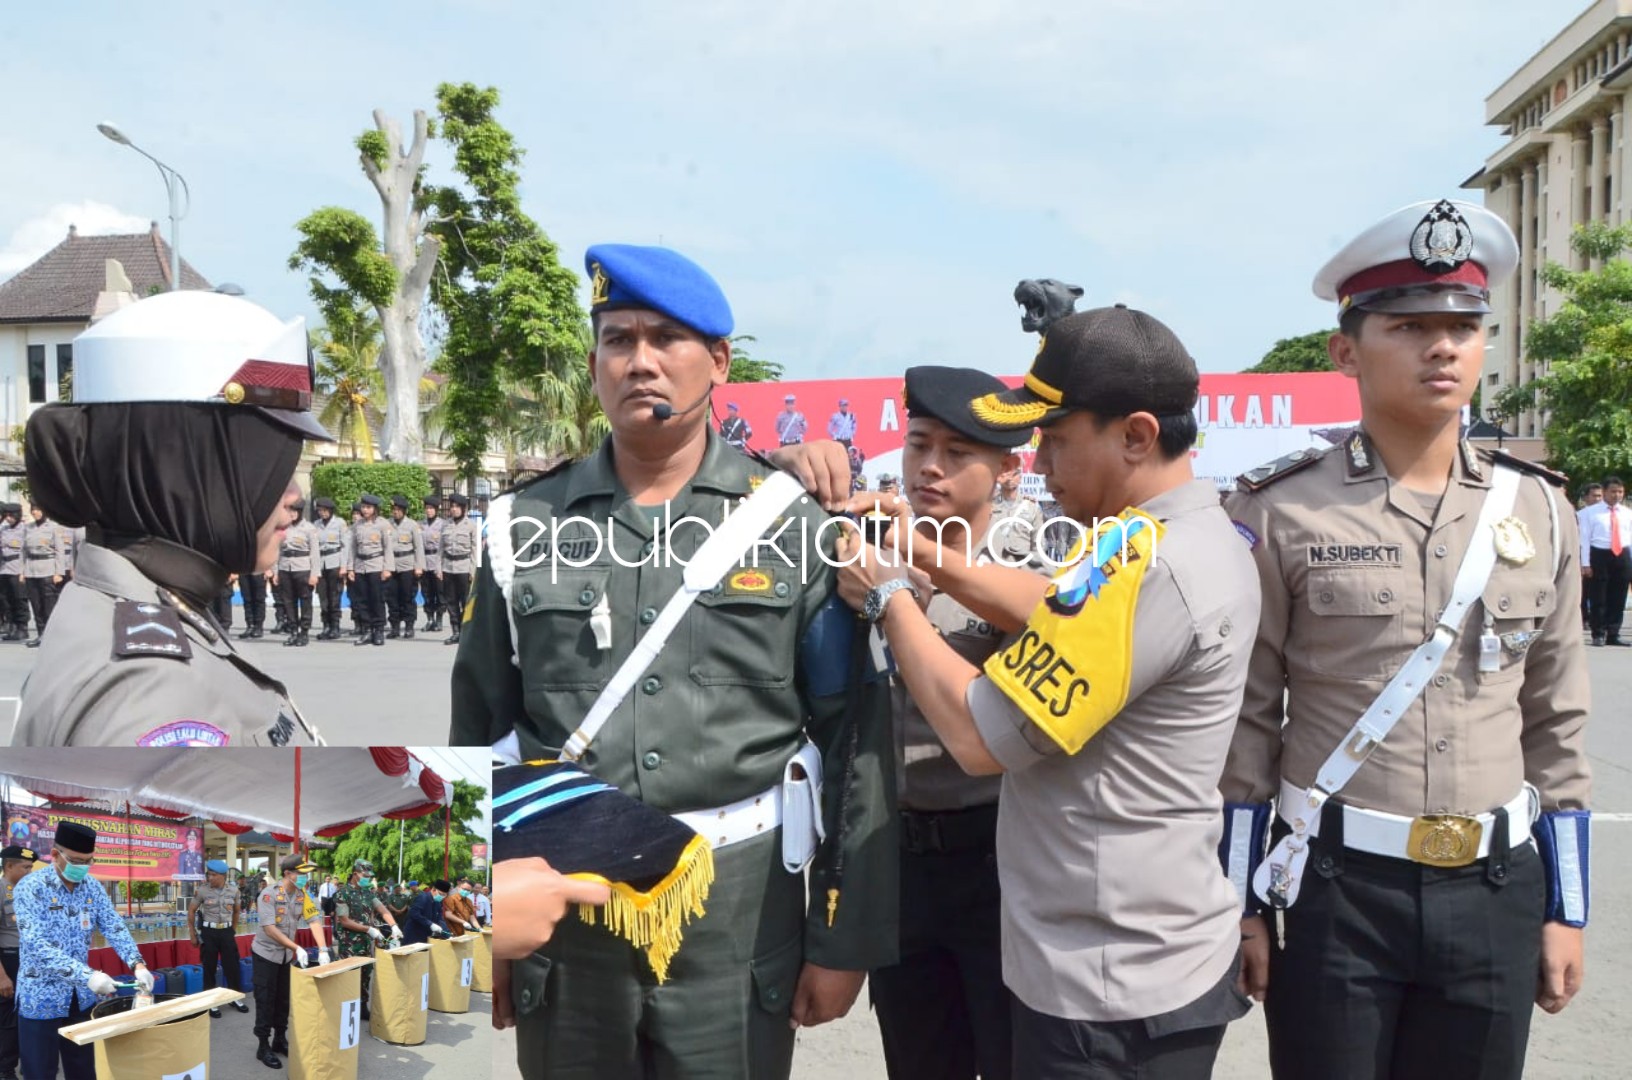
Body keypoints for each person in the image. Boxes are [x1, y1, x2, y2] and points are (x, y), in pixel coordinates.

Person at [454, 243, 897, 1080]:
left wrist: (844, 938)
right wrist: (483, 914)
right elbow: (481, 728)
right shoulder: (518, 524)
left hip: (737, 914)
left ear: (719, 361)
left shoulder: (792, 525)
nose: (641, 361)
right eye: (618, 340)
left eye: (666, 338)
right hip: (564, 910)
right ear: (593, 364)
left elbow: (853, 742)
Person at [835, 304, 1259, 1077]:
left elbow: (977, 735)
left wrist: (888, 596)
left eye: (1057, 441)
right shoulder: (1156, 536)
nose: (1044, 463)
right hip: (1115, 958)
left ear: (1135, 435)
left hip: (1110, 992)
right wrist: (930, 556)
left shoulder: (1150, 568)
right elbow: (1047, 608)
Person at [1221, 199, 1591, 1080]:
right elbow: (1244, 721)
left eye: (1465, 327)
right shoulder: (1280, 510)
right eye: (1412, 325)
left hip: (1498, 890)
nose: (1444, 347)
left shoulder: (1540, 508)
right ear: (1345, 350)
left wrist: (1566, 906)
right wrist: (1239, 904)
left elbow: (1559, 717)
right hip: (1337, 890)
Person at [14, 290, 332, 747]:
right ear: (184, 465)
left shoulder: (155, 603)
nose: (295, 496)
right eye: (265, 465)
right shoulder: (151, 688)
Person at [862, 366, 1046, 1080]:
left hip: (997, 857)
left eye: (956, 451)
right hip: (896, 858)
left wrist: (893, 599)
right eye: (917, 445)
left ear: (1007, 468)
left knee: (1009, 1057)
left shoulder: (1028, 570)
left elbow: (990, 735)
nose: (929, 467)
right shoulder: (857, 553)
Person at [14, 822, 153, 1080]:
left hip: (80, 997)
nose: (83, 867)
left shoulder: (91, 887)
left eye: (89, 861)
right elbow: (36, 944)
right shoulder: (30, 888)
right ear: (55, 855)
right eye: (77, 860)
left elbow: (113, 926)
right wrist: (86, 975)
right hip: (41, 997)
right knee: (40, 1071)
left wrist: (138, 964)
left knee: (83, 1069)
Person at [252, 854, 330, 1070]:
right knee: (265, 999)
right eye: (302, 873)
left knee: (284, 1000)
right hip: (266, 955)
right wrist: (296, 947)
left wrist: (323, 949)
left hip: (286, 957)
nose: (306, 877)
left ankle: (279, 1039)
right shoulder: (268, 895)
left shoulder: (302, 895)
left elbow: (314, 920)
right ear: (288, 874)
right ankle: (263, 1045)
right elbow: (270, 928)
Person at [333, 859, 402, 1022]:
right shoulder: (342, 894)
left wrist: (394, 926)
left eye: (370, 876)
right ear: (355, 874)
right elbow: (344, 920)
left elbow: (382, 909)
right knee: (348, 976)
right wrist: (369, 929)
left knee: (365, 974)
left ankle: (362, 1007)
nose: (368, 879)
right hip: (349, 943)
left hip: (365, 943)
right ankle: (344, 1009)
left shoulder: (368, 893)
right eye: (365, 875)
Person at [190, 859, 250, 1017]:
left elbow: (237, 911)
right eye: (209, 874)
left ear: (222, 876)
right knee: (209, 967)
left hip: (226, 932)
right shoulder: (202, 890)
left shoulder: (234, 890)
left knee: (232, 966)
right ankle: (211, 1002)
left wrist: (232, 930)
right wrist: (193, 934)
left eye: (213, 875)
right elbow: (191, 911)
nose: (209, 877)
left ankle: (234, 997)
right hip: (208, 933)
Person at [1581, 475, 1632, 647]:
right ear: (1604, 492)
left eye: (1620, 492)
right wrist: (1585, 563)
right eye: (1613, 491)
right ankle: (1598, 633)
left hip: (1622, 554)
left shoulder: (1627, 513)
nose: (1616, 495)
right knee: (1599, 596)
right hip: (1599, 554)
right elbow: (1585, 539)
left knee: (1618, 596)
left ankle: (1613, 633)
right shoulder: (1589, 513)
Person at [0, 844, 34, 1080]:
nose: (30, 872)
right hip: (8, 961)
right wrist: (1, 976)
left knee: (29, 1014)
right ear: (9, 866)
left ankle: (29, 1061)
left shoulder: (27, 891)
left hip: (28, 960)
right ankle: (6, 1068)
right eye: (25, 867)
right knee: (9, 1020)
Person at [272, 496, 318, 647]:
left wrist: (314, 574)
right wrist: (276, 571)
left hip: (303, 568)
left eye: (294, 511)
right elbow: (277, 550)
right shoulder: (283, 528)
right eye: (289, 511)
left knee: (305, 600)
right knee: (288, 601)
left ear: (300, 512)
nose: (291, 514)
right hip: (285, 567)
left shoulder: (309, 528)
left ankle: (304, 632)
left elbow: (314, 553)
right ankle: (293, 631)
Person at [19, 503, 66, 648]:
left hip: (48, 568)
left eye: (38, 509)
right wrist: (21, 571)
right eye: (33, 510)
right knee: (36, 605)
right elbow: (23, 551)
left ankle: (51, 635)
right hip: (31, 569)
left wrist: (59, 572)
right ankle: (41, 634)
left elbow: (60, 551)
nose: (35, 512)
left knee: (48, 605)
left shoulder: (53, 528)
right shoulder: (28, 528)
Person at [346, 494, 390, 647]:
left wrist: (387, 568)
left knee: (376, 599)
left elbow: (387, 547)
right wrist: (350, 568)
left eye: (368, 507)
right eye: (363, 507)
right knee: (362, 600)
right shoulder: (357, 525)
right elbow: (352, 548)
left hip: (376, 565)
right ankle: (366, 630)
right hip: (360, 566)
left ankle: (378, 630)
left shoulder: (382, 525)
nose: (365, 510)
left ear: (375, 509)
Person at [438, 493, 479, 646]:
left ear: (463, 509)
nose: (453, 509)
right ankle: (455, 631)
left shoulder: (472, 526)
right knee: (451, 601)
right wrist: (439, 568)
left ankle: (466, 631)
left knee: (466, 601)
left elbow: (476, 550)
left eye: (457, 507)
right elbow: (440, 548)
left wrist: (473, 571)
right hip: (448, 567)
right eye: (452, 506)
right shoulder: (446, 525)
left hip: (464, 567)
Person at [384, 495, 425, 639]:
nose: (395, 512)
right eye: (394, 509)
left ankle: (409, 626)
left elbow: (418, 548)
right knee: (391, 597)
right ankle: (395, 627)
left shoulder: (412, 525)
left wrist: (419, 567)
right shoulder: (387, 525)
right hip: (391, 564)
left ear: (404, 511)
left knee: (407, 597)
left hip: (407, 565)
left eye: (398, 510)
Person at [989, 463, 1046, 564]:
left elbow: (1038, 544)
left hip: (1022, 565)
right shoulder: (989, 507)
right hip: (995, 565)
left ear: (1020, 477)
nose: (1010, 478)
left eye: (1014, 474)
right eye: (1006, 474)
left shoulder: (1031, 508)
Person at [311, 497, 349, 639]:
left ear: (331, 510)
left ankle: (335, 625)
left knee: (334, 596)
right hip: (321, 563)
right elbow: (314, 548)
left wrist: (344, 566)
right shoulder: (316, 525)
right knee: (323, 596)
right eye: (320, 510)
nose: (323, 513)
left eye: (325, 510)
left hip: (335, 562)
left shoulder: (339, 524)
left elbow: (345, 546)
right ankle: (326, 625)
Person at [1575, 482, 1603, 631]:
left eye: (1600, 496)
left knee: (1599, 589)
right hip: (1582, 554)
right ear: (1585, 498)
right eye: (1594, 495)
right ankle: (1583, 617)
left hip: (1600, 554)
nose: (1598, 499)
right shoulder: (1579, 516)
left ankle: (1598, 619)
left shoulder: (1604, 515)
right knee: (1583, 590)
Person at [420, 496, 446, 633]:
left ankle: (439, 619)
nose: (429, 511)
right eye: (427, 508)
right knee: (426, 592)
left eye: (431, 508)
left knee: (440, 592)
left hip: (437, 560)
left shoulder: (442, 524)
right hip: (424, 560)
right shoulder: (421, 524)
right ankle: (430, 619)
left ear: (436, 510)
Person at [0, 505, 26, 642]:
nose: (9, 519)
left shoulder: (24, 529)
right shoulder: (3, 529)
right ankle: (12, 626)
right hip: (4, 568)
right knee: (6, 599)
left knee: (19, 599)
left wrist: (23, 570)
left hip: (17, 567)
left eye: (11, 516)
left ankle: (22, 627)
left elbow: (25, 551)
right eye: (6, 515)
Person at [401, 879, 452, 946]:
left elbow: (440, 919)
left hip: (425, 936)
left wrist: (447, 934)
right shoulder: (422, 898)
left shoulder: (438, 902)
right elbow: (414, 913)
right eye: (440, 894)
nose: (441, 897)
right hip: (413, 935)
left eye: (444, 895)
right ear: (433, 889)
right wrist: (430, 924)